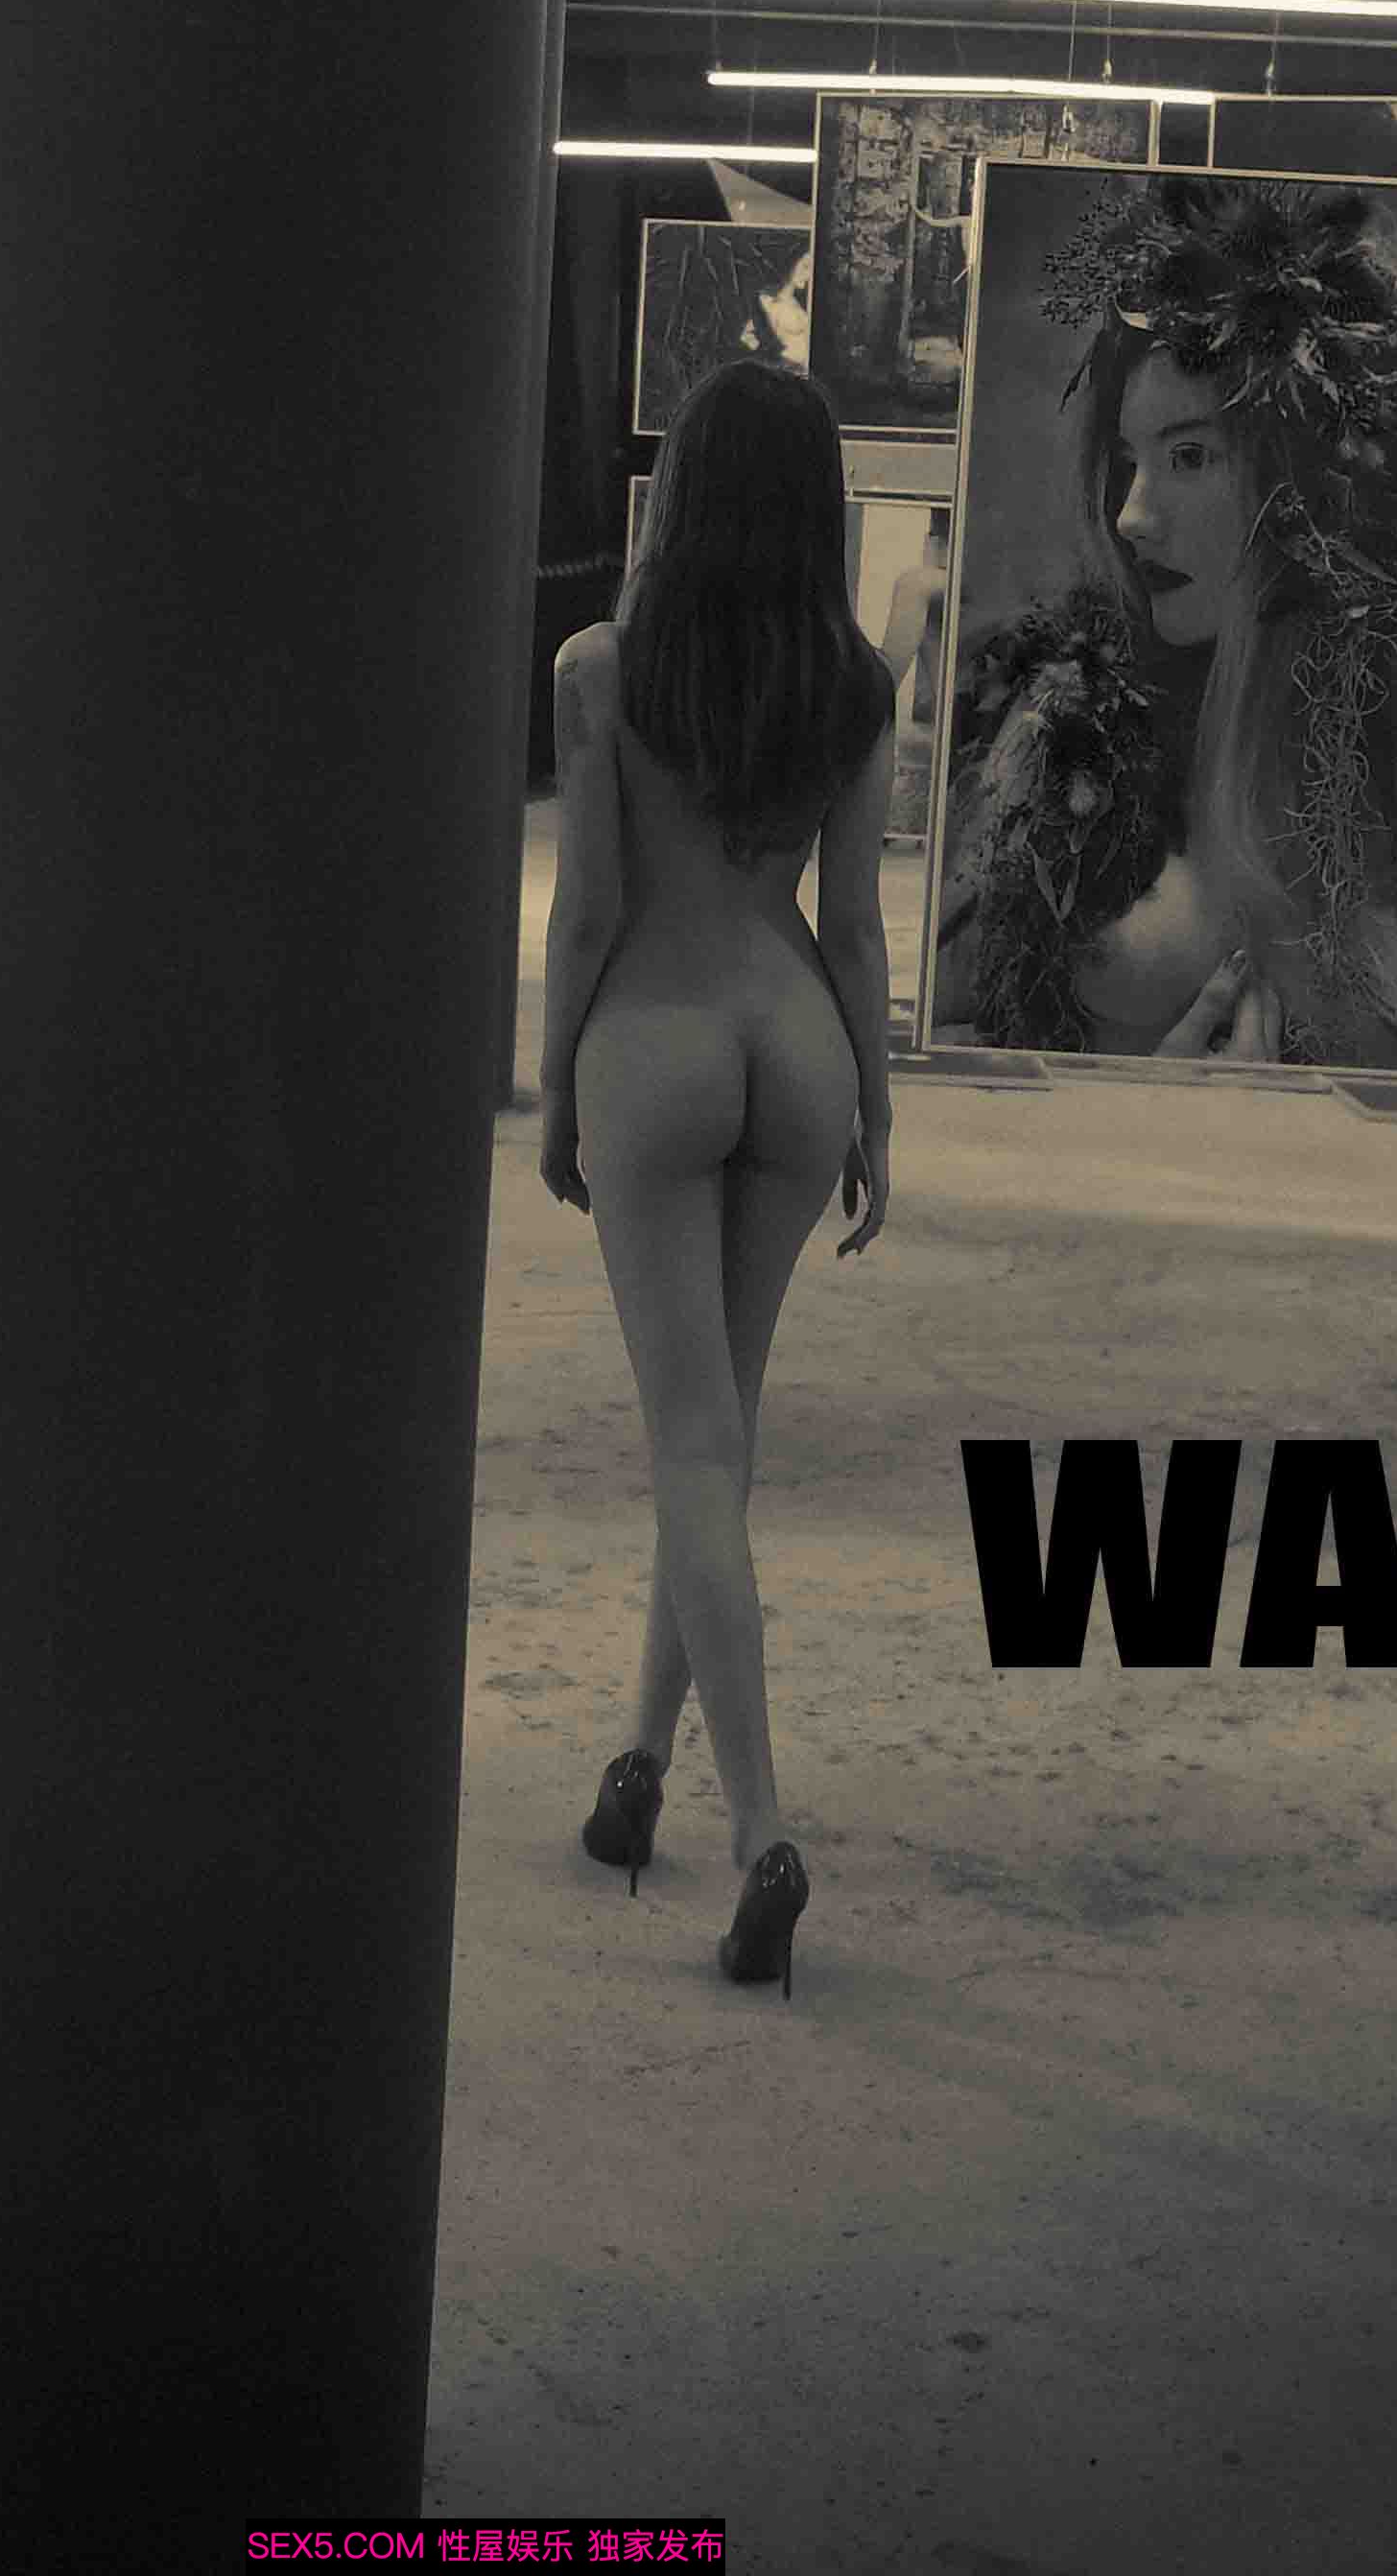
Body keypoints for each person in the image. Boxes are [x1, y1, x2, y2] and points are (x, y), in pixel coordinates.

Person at [537, 357, 894, 1997]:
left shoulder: (603, 668)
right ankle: (640, 1762)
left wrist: (556, 1088)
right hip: (795, 1036)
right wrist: (875, 1111)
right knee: (721, 1441)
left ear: (679, 491)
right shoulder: (853, 684)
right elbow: (859, 925)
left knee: (688, 1445)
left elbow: (589, 912)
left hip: (658, 1040)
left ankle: (761, 1832)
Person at [936, 173, 1397, 1073]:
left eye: (1189, 456)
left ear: (1319, 482)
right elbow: (943, 1029)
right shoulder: (1075, 733)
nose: (1131, 516)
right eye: (1128, 461)